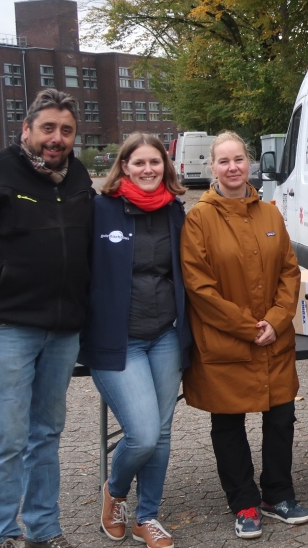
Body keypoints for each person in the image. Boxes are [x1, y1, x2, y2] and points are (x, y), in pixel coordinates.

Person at [0, 89, 92, 548]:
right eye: (48, 128)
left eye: (66, 130)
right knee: (9, 437)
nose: (57, 138)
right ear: (26, 130)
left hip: (62, 330)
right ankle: (0, 536)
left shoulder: (78, 177)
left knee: (46, 434)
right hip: (7, 328)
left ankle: (44, 530)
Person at [181, 131, 308, 539]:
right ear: (212, 167)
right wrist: (246, 326)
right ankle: (244, 502)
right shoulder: (199, 218)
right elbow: (198, 286)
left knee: (281, 417)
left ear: (250, 163)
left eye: (239, 159)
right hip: (228, 341)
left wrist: (275, 320)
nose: (233, 167)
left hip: (274, 339)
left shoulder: (270, 213)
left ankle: (278, 494)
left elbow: (290, 271)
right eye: (224, 161)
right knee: (228, 423)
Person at [80, 133, 191, 548]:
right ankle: (115, 489)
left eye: (155, 163)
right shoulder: (99, 210)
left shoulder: (175, 212)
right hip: (116, 340)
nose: (148, 170)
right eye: (139, 162)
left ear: (166, 167)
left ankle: (148, 517)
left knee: (161, 432)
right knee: (142, 434)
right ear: (123, 166)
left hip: (165, 336)